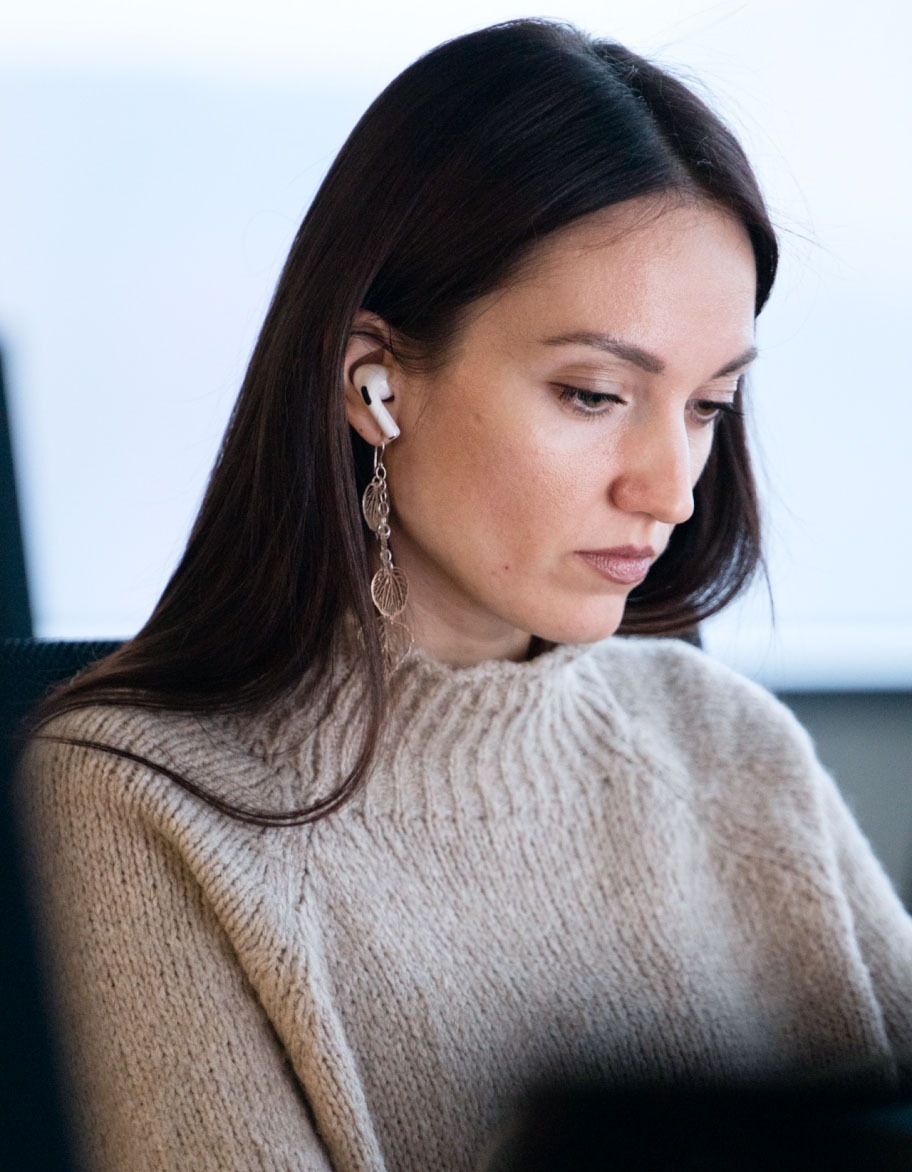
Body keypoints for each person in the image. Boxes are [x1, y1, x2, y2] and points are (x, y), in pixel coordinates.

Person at [16, 18, 912, 1172]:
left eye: (708, 407)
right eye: (594, 393)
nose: (671, 490)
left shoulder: (731, 746)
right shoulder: (145, 798)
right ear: (373, 382)